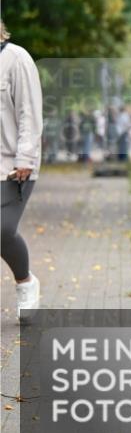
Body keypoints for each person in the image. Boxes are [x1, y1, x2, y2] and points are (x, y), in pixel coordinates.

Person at [0, 20, 43, 323]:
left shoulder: (16, 58)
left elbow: (29, 111)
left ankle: (25, 281)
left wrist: (25, 157)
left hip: (12, 165)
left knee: (2, 229)